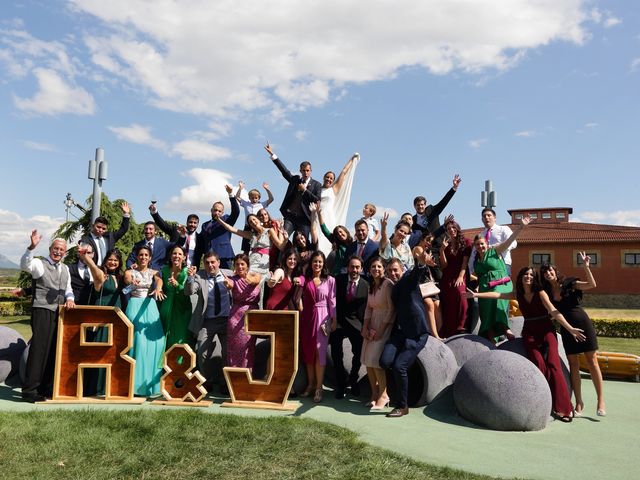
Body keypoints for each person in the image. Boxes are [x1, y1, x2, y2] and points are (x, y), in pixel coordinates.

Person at [467, 267, 586, 422]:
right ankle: (545, 400)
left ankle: (564, 408)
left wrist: (570, 329)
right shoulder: (518, 294)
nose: (528, 277)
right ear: (521, 277)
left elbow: (554, 311)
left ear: (534, 278)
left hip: (546, 330)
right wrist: (476, 294)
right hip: (529, 332)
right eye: (525, 274)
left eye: (531, 275)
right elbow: (497, 294)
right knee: (538, 364)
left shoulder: (541, 293)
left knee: (553, 364)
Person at [540, 254, 606, 416]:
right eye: (545, 272)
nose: (548, 273)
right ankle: (579, 402)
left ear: (555, 271)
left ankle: (601, 400)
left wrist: (586, 266)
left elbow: (591, 284)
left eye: (550, 270)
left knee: (592, 361)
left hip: (583, 324)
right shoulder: (547, 292)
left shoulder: (570, 283)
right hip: (567, 329)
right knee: (573, 364)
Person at [20, 231, 75, 402]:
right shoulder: (39, 263)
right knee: (39, 350)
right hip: (42, 309)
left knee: (53, 350)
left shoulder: (65, 268)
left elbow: (68, 289)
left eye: (62, 250)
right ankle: (29, 391)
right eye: (56, 248)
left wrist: (70, 299)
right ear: (50, 249)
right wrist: (31, 247)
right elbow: (24, 265)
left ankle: (46, 388)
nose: (58, 252)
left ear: (65, 252)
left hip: (59, 312)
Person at [380, 250, 435, 418]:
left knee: (399, 366)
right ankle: (398, 385)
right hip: (400, 333)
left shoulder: (408, 280)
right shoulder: (394, 289)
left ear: (402, 269)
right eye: (390, 271)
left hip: (417, 334)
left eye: (395, 270)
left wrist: (421, 261)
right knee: (384, 361)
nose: (393, 273)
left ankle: (402, 406)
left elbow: (417, 271)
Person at [472, 214, 531, 342]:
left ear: (486, 244)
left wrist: (520, 227)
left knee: (497, 299)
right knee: (485, 307)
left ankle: (505, 328)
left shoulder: (495, 251)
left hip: (501, 282)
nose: (480, 247)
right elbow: (477, 275)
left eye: (482, 244)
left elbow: (510, 240)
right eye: (477, 245)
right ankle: (491, 334)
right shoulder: (477, 260)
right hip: (485, 285)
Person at [185, 251, 232, 394]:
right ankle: (207, 381)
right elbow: (189, 291)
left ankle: (226, 383)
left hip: (227, 320)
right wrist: (190, 278)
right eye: (207, 263)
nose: (210, 265)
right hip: (208, 321)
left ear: (218, 262)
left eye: (213, 262)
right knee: (202, 351)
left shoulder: (229, 274)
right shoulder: (199, 276)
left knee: (227, 353)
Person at [124, 245, 166, 396]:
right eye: (140, 255)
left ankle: (151, 384)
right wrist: (130, 284)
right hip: (135, 305)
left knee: (157, 344)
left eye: (146, 255)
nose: (143, 257)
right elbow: (125, 289)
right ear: (136, 256)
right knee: (138, 344)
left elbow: (159, 280)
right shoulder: (129, 272)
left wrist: (159, 288)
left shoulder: (154, 272)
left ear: (150, 258)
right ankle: (134, 385)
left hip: (150, 307)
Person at [265, 142, 322, 241]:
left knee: (302, 244)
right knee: (282, 240)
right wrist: (272, 155)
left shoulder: (317, 184)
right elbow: (284, 171)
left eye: (308, 170)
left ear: (311, 171)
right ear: (300, 171)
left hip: (305, 220)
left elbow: (317, 200)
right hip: (290, 217)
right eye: (303, 170)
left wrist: (304, 190)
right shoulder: (295, 180)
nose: (305, 173)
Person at [299, 251, 336, 403]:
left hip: (323, 317)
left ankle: (319, 388)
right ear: (311, 263)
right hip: (307, 318)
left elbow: (332, 301)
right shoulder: (305, 279)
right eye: (315, 261)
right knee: (308, 353)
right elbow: (298, 295)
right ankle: (311, 384)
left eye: (320, 262)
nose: (317, 264)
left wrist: (333, 320)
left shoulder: (330, 280)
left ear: (324, 264)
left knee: (319, 353)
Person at [331, 255, 369, 399]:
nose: (354, 270)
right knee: (336, 354)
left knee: (359, 354)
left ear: (361, 269)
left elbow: (367, 308)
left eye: (357, 267)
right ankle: (341, 384)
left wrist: (365, 326)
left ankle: (353, 379)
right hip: (339, 322)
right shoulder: (338, 280)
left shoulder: (366, 285)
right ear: (347, 267)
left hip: (356, 323)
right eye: (352, 267)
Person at [361, 256, 395, 410]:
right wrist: (365, 327)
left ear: (383, 269)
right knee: (367, 360)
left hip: (385, 324)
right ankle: (374, 394)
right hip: (372, 324)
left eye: (379, 267)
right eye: (373, 267)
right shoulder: (371, 286)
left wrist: (381, 330)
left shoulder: (388, 285)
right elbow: (369, 308)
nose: (376, 269)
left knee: (375, 360)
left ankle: (384, 394)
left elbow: (391, 309)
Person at [316, 153, 359, 253]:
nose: (329, 179)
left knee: (328, 240)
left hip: (329, 217)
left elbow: (343, 172)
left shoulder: (333, 189)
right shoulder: (317, 189)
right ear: (323, 177)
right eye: (327, 177)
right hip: (318, 217)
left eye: (331, 178)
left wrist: (352, 159)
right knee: (318, 240)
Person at [215, 213, 286, 275]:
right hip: (252, 260)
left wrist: (284, 237)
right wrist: (219, 220)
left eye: (254, 219)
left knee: (258, 284)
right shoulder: (251, 235)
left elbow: (281, 246)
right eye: (250, 222)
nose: (253, 222)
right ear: (250, 225)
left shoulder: (269, 231)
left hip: (263, 262)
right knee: (248, 281)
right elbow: (232, 229)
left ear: (259, 220)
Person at [225, 254, 262, 368]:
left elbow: (258, 279)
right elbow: (229, 284)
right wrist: (227, 284)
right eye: (237, 264)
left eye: (242, 264)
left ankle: (247, 377)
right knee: (235, 349)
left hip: (252, 316)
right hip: (236, 317)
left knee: (249, 349)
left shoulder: (255, 276)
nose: (240, 267)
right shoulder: (232, 279)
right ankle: (234, 378)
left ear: (247, 265)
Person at [438, 219, 472, 338]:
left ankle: (461, 326)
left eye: (453, 228)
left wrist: (460, 277)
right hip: (447, 275)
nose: (451, 230)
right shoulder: (446, 245)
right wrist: (442, 250)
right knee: (447, 299)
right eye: (448, 229)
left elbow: (465, 262)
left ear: (457, 229)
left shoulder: (466, 242)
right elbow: (444, 266)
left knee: (460, 295)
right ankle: (448, 330)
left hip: (460, 274)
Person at [194, 185, 240, 269]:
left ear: (222, 213)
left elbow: (236, 212)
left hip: (223, 257)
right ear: (211, 210)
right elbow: (200, 242)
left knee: (224, 281)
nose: (217, 212)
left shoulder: (226, 220)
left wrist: (230, 194)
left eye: (219, 211)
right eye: (215, 210)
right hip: (209, 259)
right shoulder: (205, 225)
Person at [159, 245, 192, 355]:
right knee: (164, 337)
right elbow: (156, 279)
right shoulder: (164, 270)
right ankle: (164, 368)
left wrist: (177, 284)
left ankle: (179, 368)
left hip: (182, 308)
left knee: (180, 337)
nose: (176, 256)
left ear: (184, 257)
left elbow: (189, 291)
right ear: (170, 256)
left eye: (179, 254)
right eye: (174, 253)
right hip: (166, 307)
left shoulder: (187, 271)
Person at [469, 208, 518, 276]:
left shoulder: (503, 229)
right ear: (482, 220)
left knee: (501, 285)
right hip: (484, 265)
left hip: (502, 263)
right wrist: (470, 270)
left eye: (489, 215)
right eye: (484, 216)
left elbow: (514, 243)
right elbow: (474, 253)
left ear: (495, 218)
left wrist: (497, 248)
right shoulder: (481, 235)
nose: (486, 217)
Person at [412, 236, 443, 340]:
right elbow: (422, 258)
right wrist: (427, 260)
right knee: (429, 304)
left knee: (437, 305)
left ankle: (438, 333)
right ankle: (434, 335)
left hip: (429, 282)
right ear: (421, 239)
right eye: (427, 240)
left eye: (431, 242)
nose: (429, 243)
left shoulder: (427, 251)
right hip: (420, 282)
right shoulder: (418, 248)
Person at [80, 201, 131, 265]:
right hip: (92, 271)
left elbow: (123, 229)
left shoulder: (110, 237)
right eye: (98, 227)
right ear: (93, 226)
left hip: (107, 271)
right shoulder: (85, 240)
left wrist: (126, 214)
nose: (100, 230)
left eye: (104, 228)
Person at [411, 174, 461, 239]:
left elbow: (444, 202)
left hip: (440, 242)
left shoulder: (431, 210)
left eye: (422, 204)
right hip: (426, 246)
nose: (420, 206)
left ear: (425, 205)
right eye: (418, 205)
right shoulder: (412, 220)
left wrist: (454, 188)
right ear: (414, 206)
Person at [235, 181, 274, 254]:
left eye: (256, 198)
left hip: (258, 227)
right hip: (248, 227)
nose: (254, 199)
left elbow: (271, 199)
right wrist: (240, 188)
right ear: (249, 198)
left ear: (259, 198)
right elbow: (237, 197)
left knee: (259, 247)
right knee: (246, 249)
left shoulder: (262, 204)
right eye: (252, 198)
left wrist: (267, 189)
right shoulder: (246, 204)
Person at [315, 203, 352, 276]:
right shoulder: (337, 243)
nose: (340, 235)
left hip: (348, 275)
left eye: (341, 232)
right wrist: (319, 214)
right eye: (338, 234)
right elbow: (325, 230)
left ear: (346, 231)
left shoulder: (354, 244)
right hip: (336, 274)